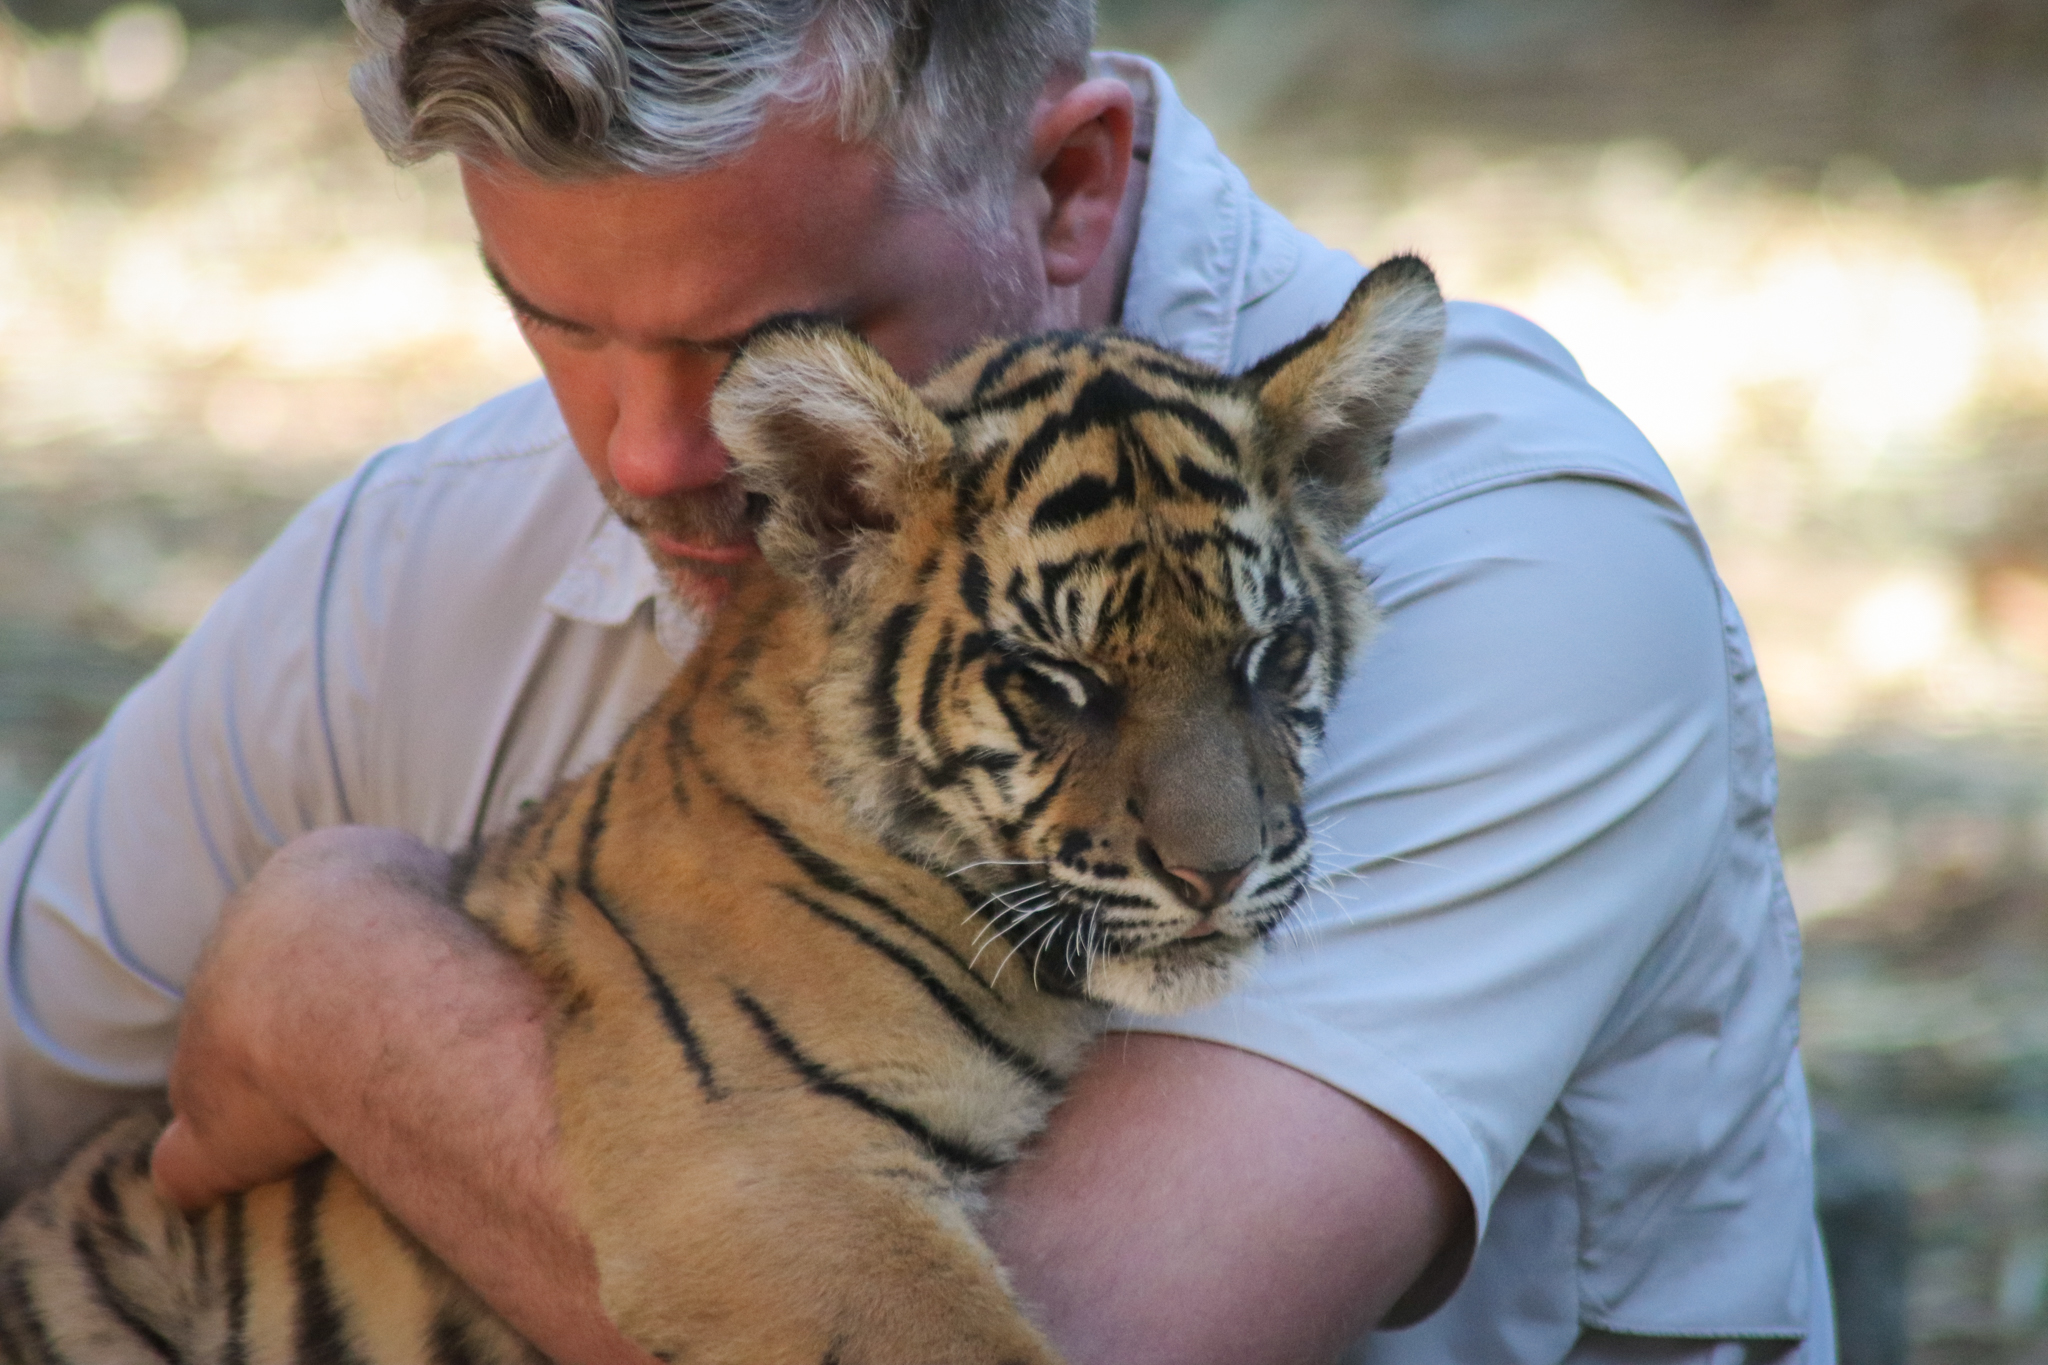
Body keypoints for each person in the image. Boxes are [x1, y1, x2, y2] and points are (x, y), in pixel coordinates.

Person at [0, 2, 1832, 1362]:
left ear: (1068, 181)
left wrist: (341, 980)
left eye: (756, 346)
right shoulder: (430, 545)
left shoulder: (1507, 559)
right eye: (557, 320)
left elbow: (1084, 1340)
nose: (647, 457)